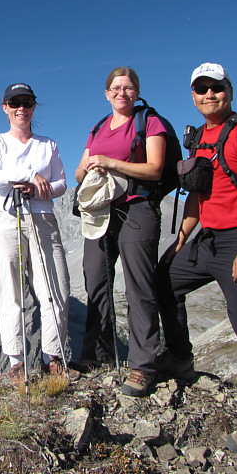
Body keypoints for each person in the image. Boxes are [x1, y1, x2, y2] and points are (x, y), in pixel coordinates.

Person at [156, 63, 237, 454]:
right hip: (205, 237)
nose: (209, 94)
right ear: (193, 96)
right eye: (201, 89)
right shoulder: (201, 138)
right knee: (164, 277)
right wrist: (181, 238)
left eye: (216, 87)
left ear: (229, 90)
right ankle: (180, 358)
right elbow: (197, 194)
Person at [75, 67, 166, 397]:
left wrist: (111, 163)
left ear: (137, 91)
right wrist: (90, 166)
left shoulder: (148, 122)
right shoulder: (98, 128)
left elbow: (155, 170)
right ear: (107, 93)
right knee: (96, 280)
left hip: (136, 208)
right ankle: (94, 356)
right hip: (101, 210)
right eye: (116, 88)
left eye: (128, 88)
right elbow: (78, 172)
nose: (122, 93)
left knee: (138, 284)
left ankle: (142, 365)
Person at [0, 83, 78, 390]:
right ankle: (17, 362)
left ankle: (53, 357)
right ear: (5, 108)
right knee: (10, 289)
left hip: (42, 217)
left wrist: (39, 188)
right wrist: (27, 175)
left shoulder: (48, 145)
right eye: (15, 103)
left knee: (56, 286)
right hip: (5, 218)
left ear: (34, 107)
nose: (21, 108)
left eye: (27, 102)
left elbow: (61, 182)